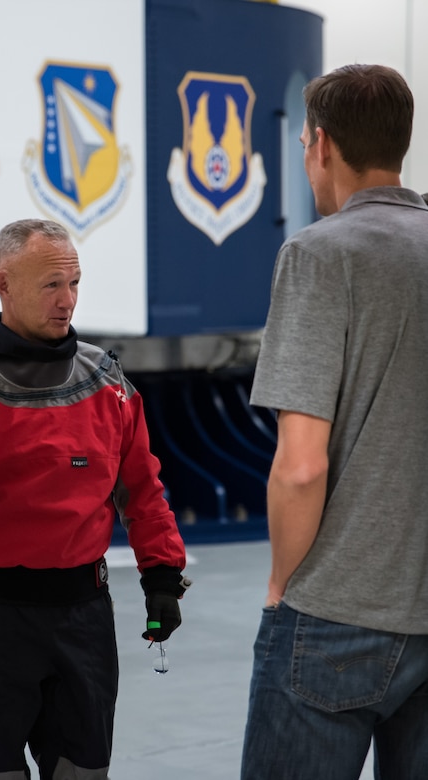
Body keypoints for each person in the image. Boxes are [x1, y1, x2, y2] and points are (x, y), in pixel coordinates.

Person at [0, 219, 190, 780]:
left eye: (75, 283)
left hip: (83, 616)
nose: (67, 301)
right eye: (52, 285)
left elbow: (142, 489)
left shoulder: (107, 381)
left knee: (82, 773)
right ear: (3, 285)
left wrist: (163, 575)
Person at [240, 64, 428, 780]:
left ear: (319, 144)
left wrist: (284, 588)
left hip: (339, 613)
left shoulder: (319, 255)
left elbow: (301, 463)